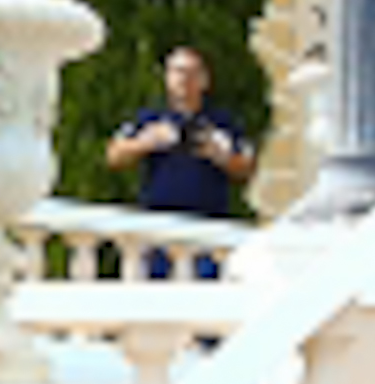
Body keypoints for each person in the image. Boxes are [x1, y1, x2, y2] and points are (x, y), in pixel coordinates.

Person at [104, 43, 259, 272]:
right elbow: (113, 156)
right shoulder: (150, 117)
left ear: (205, 80)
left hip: (208, 234)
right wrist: (147, 142)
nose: (184, 79)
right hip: (157, 233)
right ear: (167, 78)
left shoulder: (223, 123)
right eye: (177, 71)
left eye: (192, 72)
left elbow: (247, 169)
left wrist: (220, 155)